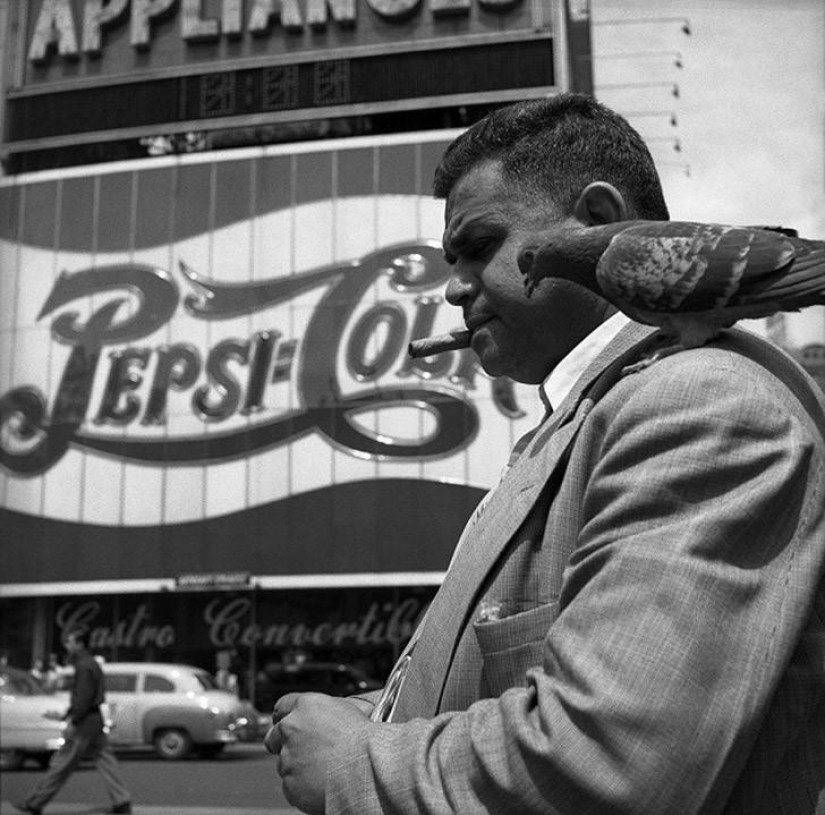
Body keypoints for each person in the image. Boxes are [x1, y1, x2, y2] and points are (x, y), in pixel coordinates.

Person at [264, 93, 825, 813]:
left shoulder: (698, 398)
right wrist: (385, 706)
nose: (454, 288)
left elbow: (610, 763)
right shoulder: (589, 416)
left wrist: (355, 762)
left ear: (597, 219)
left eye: (481, 245)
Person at [14, 628, 132, 815]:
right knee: (105, 761)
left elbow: (82, 698)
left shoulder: (83, 666)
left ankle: (35, 802)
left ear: (79, 644)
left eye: (70, 642)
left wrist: (73, 719)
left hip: (84, 722)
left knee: (61, 763)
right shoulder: (92, 663)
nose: (67, 646)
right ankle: (122, 801)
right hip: (95, 719)